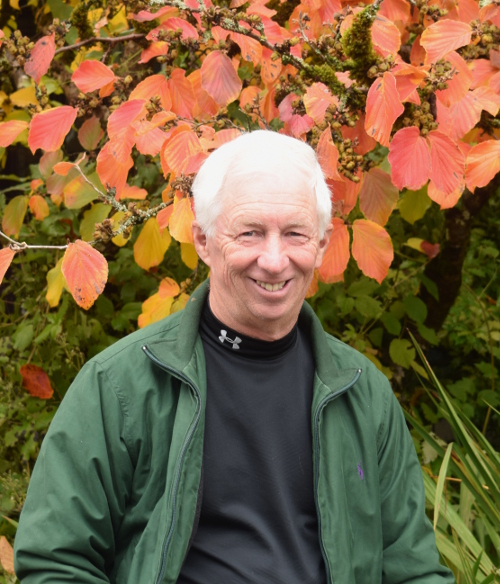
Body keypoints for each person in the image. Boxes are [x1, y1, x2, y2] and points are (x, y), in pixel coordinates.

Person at [14, 131, 454, 583]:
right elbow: (56, 564)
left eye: (295, 234)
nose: (274, 259)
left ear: (322, 245)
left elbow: (413, 571)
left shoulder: (364, 395)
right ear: (203, 240)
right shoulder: (118, 387)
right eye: (250, 233)